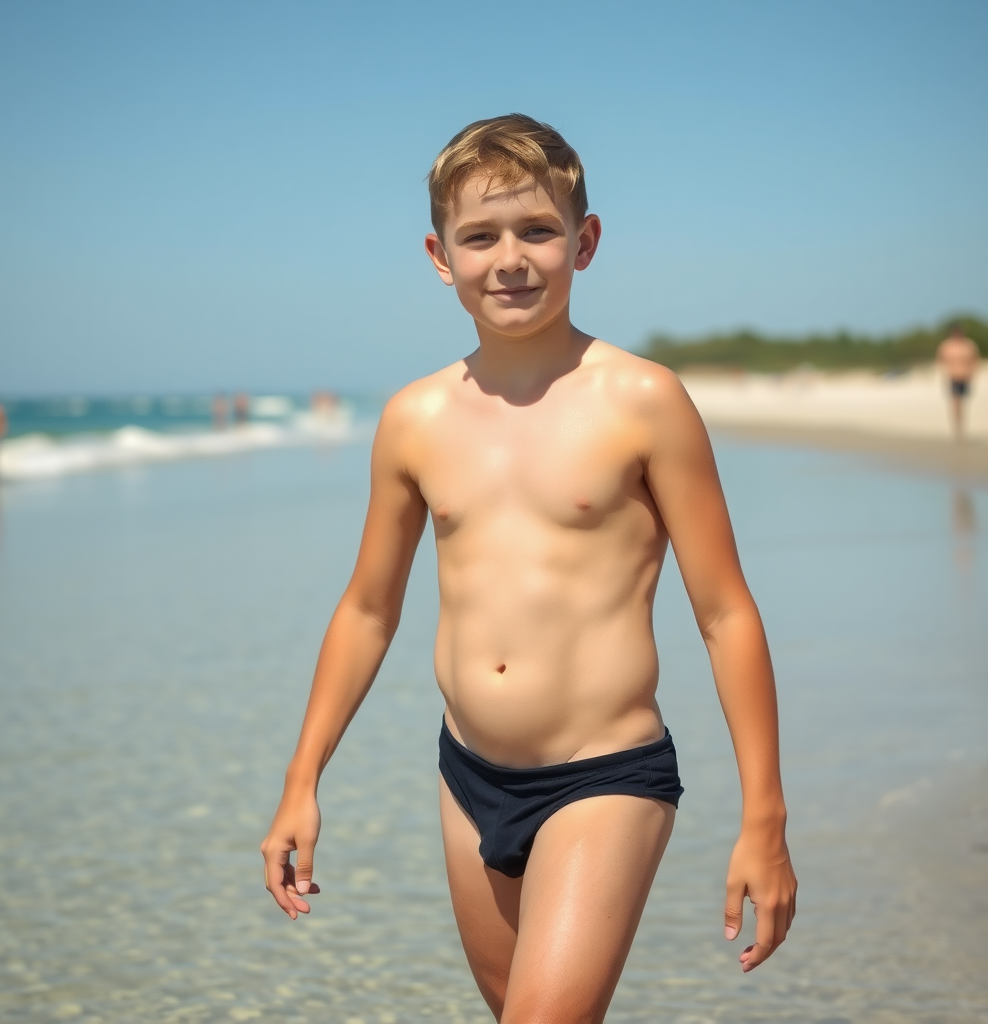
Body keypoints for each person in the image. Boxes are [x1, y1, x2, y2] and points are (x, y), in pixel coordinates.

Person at [261, 114, 796, 1023]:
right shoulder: (413, 419)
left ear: (584, 242)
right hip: (467, 776)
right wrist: (302, 780)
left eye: (537, 230)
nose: (509, 258)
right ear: (440, 256)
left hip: (605, 772)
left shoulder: (642, 401)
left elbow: (725, 613)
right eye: (480, 237)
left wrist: (766, 819)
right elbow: (366, 611)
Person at [936, 322, 981, 440]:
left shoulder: (969, 345)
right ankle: (958, 430)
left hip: (965, 377)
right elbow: (941, 360)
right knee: (956, 403)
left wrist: (972, 373)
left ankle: (962, 428)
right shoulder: (946, 346)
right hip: (953, 377)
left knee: (963, 403)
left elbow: (975, 360)